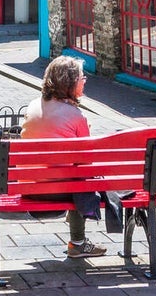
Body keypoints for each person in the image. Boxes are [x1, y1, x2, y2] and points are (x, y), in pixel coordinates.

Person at [21, 56, 108, 258]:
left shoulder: (33, 105)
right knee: (81, 179)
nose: (84, 80)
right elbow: (86, 163)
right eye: (81, 77)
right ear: (69, 83)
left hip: (28, 186)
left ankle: (78, 241)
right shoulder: (77, 116)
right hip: (58, 190)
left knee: (75, 175)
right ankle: (78, 243)